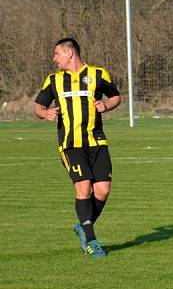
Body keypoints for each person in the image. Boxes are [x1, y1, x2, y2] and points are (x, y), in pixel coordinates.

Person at [34, 38, 121, 258]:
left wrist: (106, 105)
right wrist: (46, 113)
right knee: (83, 188)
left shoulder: (98, 74)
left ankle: (83, 225)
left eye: (56, 54)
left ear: (69, 53)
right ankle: (91, 241)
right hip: (71, 144)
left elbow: (115, 96)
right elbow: (38, 107)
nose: (54, 59)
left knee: (103, 190)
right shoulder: (54, 80)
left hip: (96, 141)